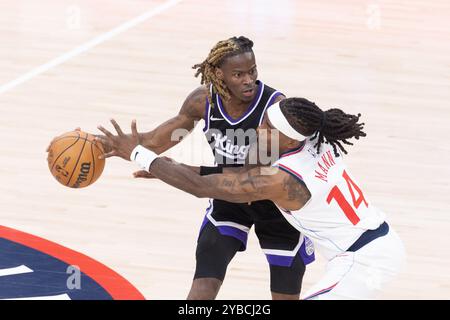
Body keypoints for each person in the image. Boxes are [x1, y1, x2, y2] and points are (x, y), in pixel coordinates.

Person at [53, 36, 315, 299]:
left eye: (252, 71)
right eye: (238, 74)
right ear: (218, 74)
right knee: (201, 291)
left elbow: (243, 179)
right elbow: (154, 141)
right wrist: (98, 143)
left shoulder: (273, 109)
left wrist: (172, 171)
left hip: (276, 205)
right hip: (227, 198)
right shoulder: (203, 102)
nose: (248, 80)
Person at [97, 97, 406, 299]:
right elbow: (229, 176)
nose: (259, 127)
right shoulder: (309, 138)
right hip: (376, 240)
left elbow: (204, 187)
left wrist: (138, 153)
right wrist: (173, 167)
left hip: (363, 259)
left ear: (285, 137)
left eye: (266, 126)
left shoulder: (283, 180)